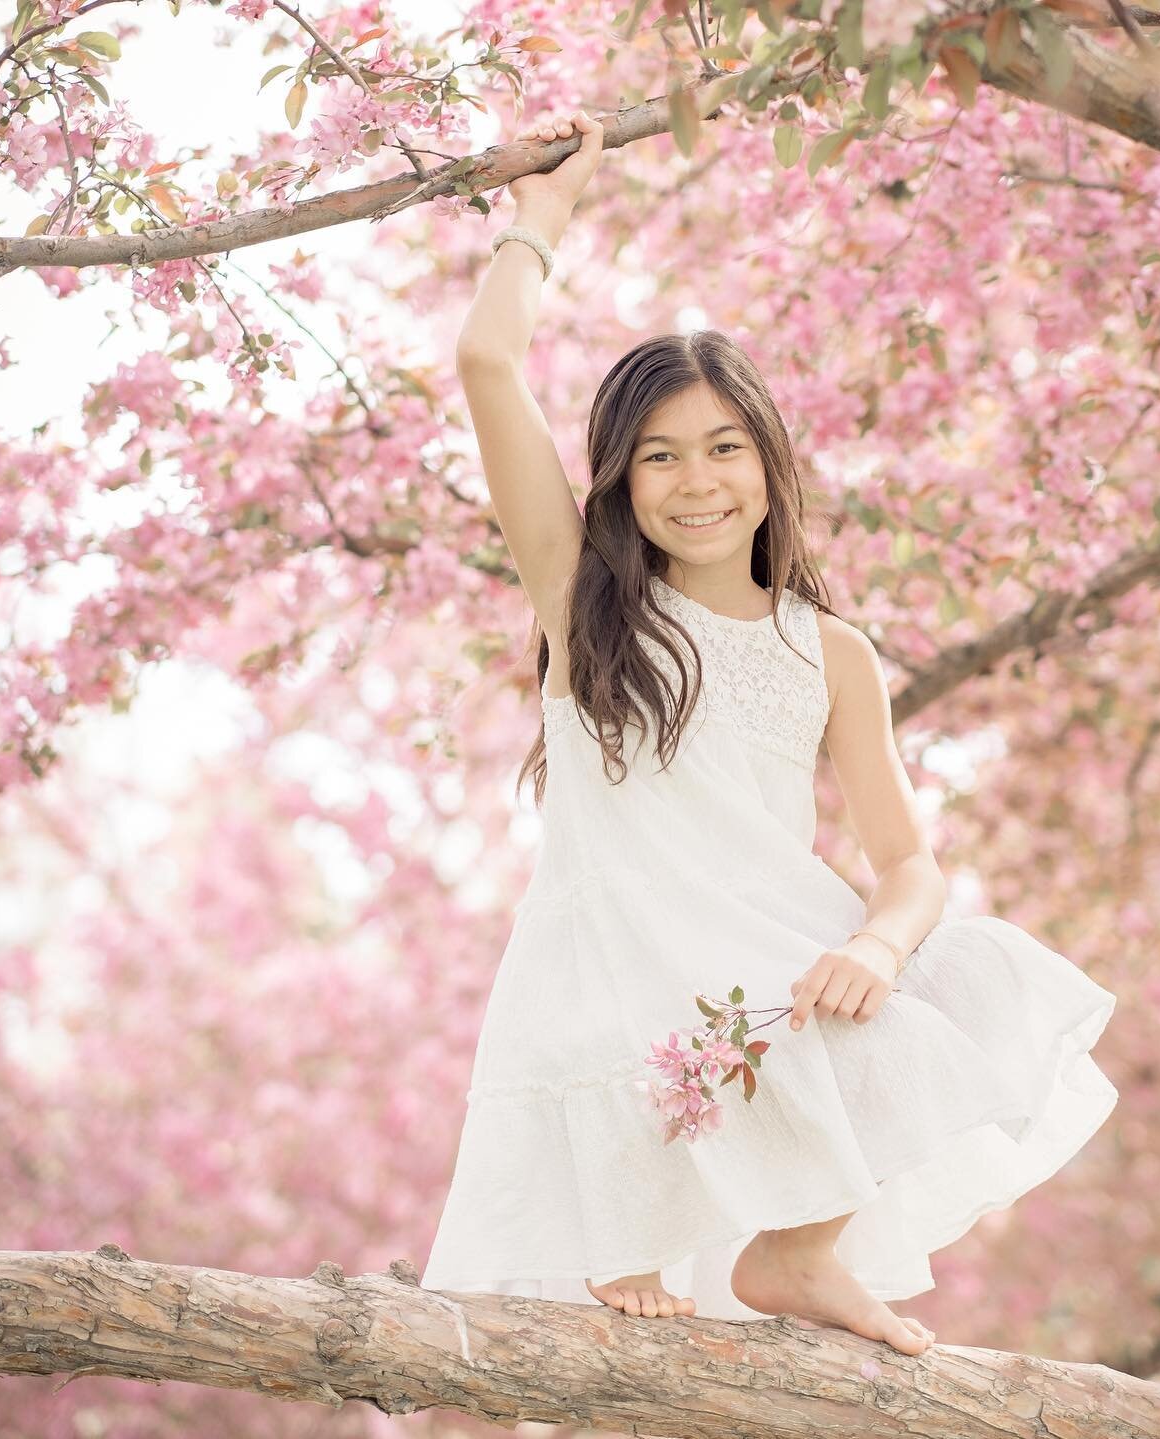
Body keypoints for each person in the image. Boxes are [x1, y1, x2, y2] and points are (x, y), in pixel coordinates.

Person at [419, 108, 1118, 1351]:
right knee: (648, 1152)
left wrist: (885, 950)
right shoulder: (588, 612)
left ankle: (794, 1253)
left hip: (775, 964)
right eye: (659, 458)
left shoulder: (828, 649)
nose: (697, 482)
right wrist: (547, 210)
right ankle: (630, 1214)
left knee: (984, 974)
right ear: (621, 483)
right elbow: (486, 365)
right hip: (628, 970)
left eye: (725, 448)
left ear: (770, 459)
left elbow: (909, 864)